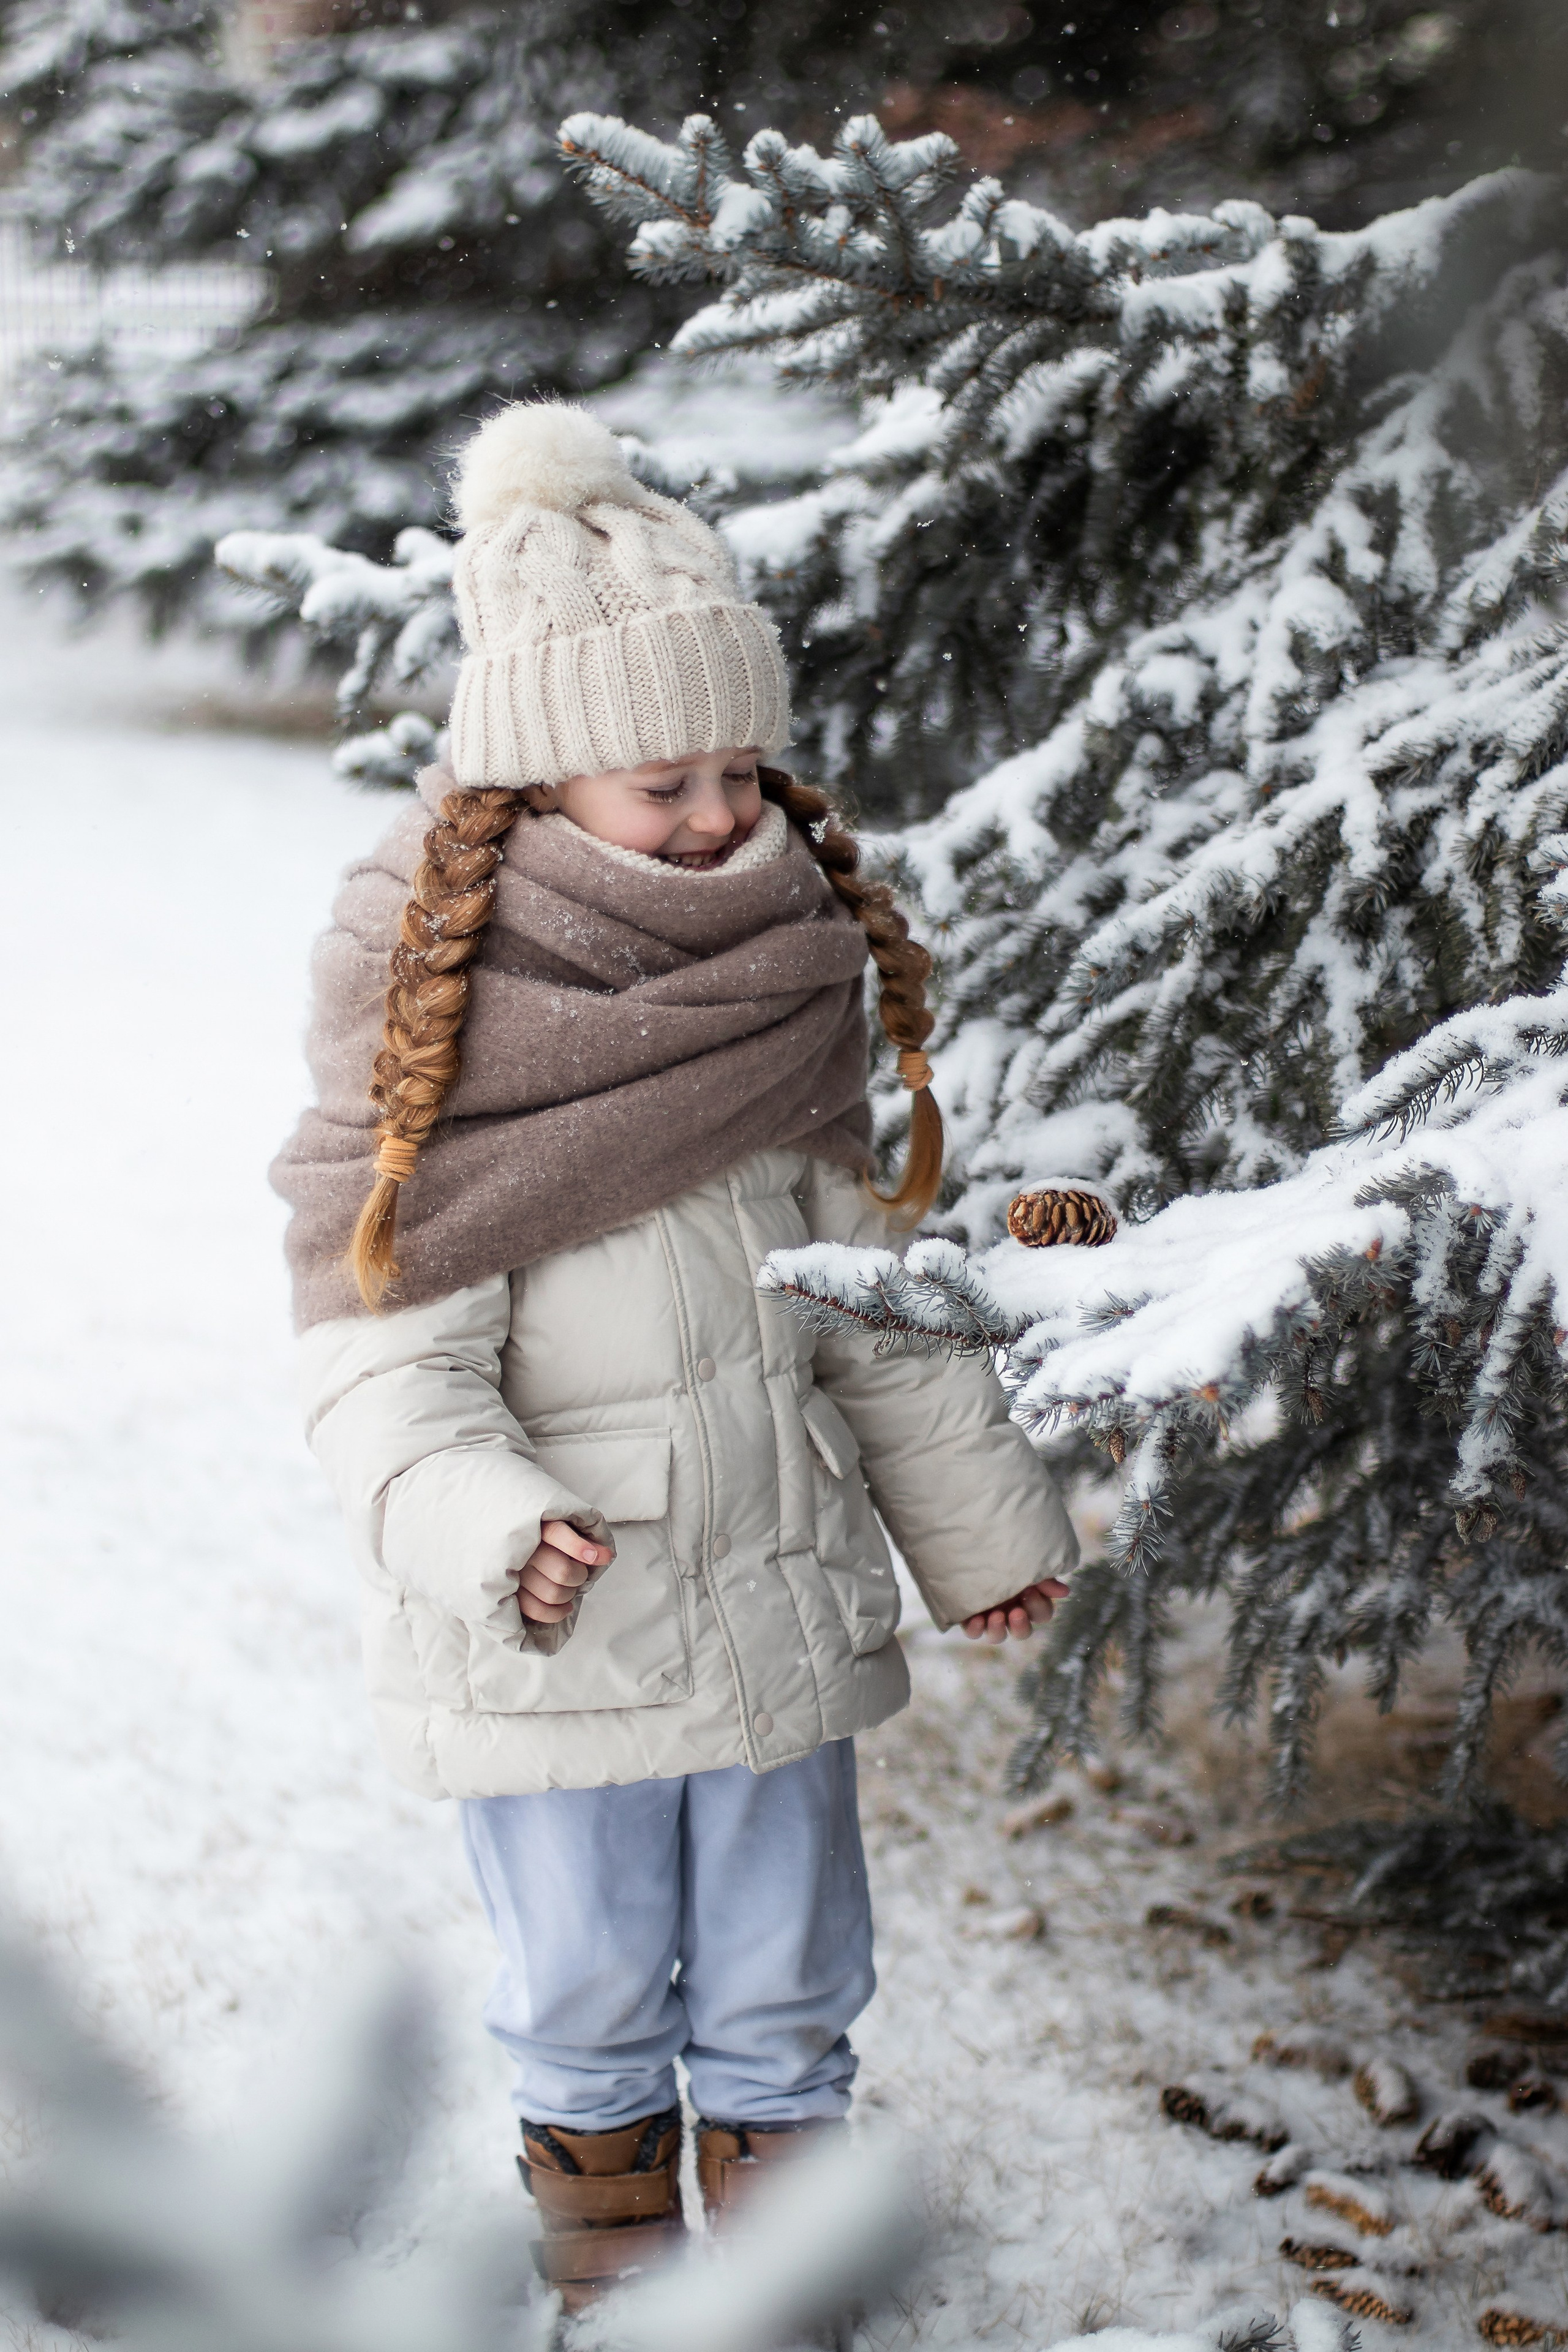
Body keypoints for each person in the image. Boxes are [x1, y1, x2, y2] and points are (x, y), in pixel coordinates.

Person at [274, 402, 1079, 2314]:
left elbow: (874, 1312)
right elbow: (379, 1366)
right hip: (564, 1631)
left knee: (796, 1951)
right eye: (661, 780)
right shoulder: (453, 1045)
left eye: (741, 764)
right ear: (544, 786)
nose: (719, 813)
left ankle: (788, 2205)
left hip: (776, 1607)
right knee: (583, 1966)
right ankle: (611, 2230)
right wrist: (487, 1522)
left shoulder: (777, 983)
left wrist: (982, 1533)